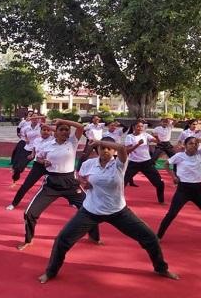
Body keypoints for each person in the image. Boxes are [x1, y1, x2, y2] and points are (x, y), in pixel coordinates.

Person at [38, 138, 179, 284]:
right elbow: (80, 177)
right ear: (97, 150)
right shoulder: (89, 164)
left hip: (118, 212)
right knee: (62, 240)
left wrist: (99, 141)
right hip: (90, 211)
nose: (105, 151)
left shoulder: (119, 164)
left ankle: (161, 268)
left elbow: (122, 149)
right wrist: (83, 183)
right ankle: (51, 272)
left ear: (113, 150)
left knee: (150, 238)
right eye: (102, 148)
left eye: (108, 148)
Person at [18, 119, 100, 251]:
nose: (64, 132)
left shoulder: (72, 142)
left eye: (66, 130)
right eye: (61, 129)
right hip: (51, 183)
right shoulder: (47, 145)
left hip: (70, 183)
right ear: (55, 132)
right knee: (29, 213)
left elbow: (80, 127)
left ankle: (94, 237)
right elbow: (38, 158)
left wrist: (62, 121)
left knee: (90, 208)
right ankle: (28, 239)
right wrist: (43, 161)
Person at [157, 136, 201, 245]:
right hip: (183, 189)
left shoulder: (200, 154)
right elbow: (166, 164)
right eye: (191, 143)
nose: (194, 145)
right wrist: (173, 176)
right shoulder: (179, 156)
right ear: (185, 145)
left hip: (198, 190)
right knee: (171, 214)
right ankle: (158, 237)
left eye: (195, 144)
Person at [6, 124, 55, 210]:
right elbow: (34, 150)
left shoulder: (54, 140)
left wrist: (48, 126)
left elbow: (58, 131)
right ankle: (14, 203)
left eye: (48, 130)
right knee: (26, 185)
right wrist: (32, 155)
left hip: (51, 166)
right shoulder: (37, 140)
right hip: (38, 165)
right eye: (44, 130)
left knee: (63, 184)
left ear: (51, 131)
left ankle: (75, 201)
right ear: (40, 131)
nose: (46, 132)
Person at [123, 120, 165, 202]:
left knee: (160, 183)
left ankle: (161, 200)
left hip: (146, 163)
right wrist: (138, 144)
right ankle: (117, 199)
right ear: (134, 127)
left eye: (142, 126)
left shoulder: (146, 135)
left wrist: (156, 137)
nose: (140, 128)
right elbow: (127, 151)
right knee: (122, 182)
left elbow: (156, 141)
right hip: (133, 163)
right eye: (138, 126)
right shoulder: (130, 137)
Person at [176, 119, 201, 186]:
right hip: (188, 154)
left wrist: (200, 128)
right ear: (189, 125)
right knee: (183, 167)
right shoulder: (185, 132)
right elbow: (179, 141)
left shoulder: (199, 132)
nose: (195, 126)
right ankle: (180, 181)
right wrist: (181, 146)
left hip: (199, 154)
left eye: (196, 124)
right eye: (193, 124)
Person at [11, 115, 44, 186]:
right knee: (19, 167)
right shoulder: (26, 128)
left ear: (38, 119)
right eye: (33, 118)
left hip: (39, 149)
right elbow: (23, 135)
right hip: (28, 148)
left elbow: (44, 117)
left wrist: (32, 117)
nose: (35, 119)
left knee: (43, 166)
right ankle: (15, 177)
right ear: (31, 120)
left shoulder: (41, 126)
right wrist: (26, 139)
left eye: (36, 118)